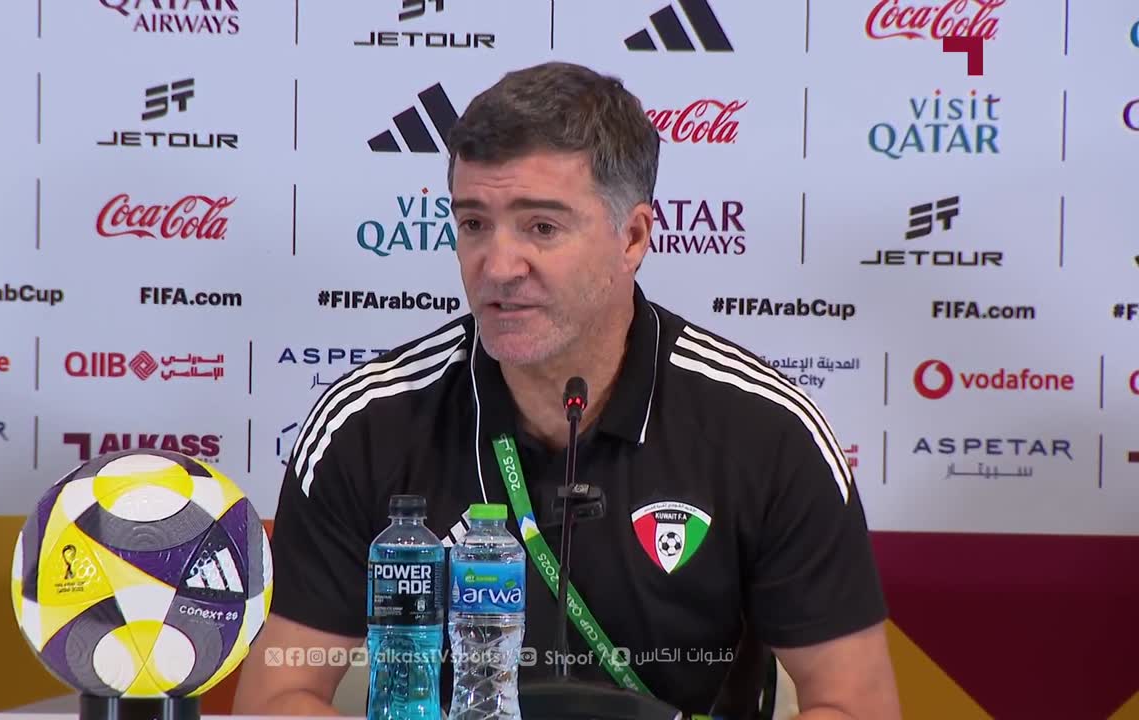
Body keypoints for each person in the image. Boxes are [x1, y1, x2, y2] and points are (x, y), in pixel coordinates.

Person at [233, 61, 901, 719]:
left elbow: (858, 704)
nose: (498, 266)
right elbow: (274, 699)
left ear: (632, 236)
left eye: (542, 227)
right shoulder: (367, 424)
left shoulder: (764, 431)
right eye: (473, 224)